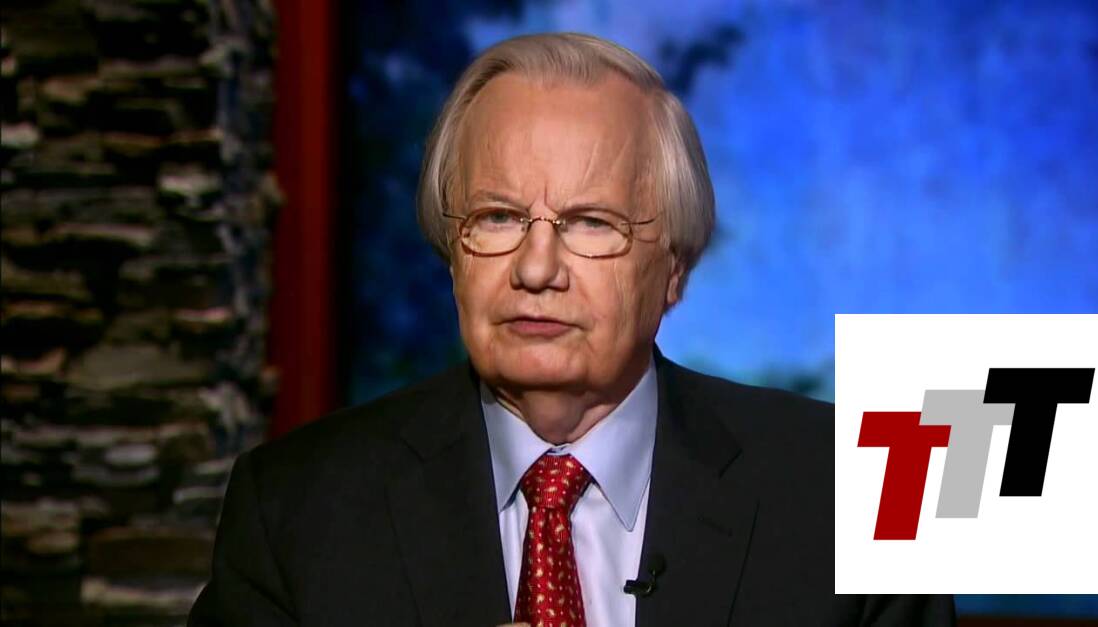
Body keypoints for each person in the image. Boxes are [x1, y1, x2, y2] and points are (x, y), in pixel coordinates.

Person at [189, 32, 954, 626]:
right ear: (451, 251)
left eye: (592, 223)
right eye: (496, 217)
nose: (535, 268)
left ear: (674, 269)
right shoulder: (293, 511)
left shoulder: (857, 496)